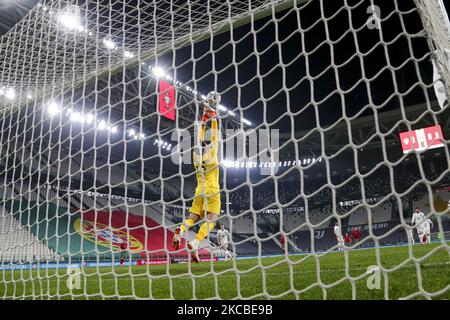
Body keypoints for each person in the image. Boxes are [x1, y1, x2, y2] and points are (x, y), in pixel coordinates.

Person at [172, 91, 222, 263]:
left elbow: (197, 139)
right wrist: (213, 117)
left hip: (199, 190)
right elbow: (214, 135)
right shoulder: (212, 155)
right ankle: (196, 241)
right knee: (212, 220)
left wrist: (202, 118)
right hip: (213, 191)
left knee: (192, 218)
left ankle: (181, 228)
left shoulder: (195, 156)